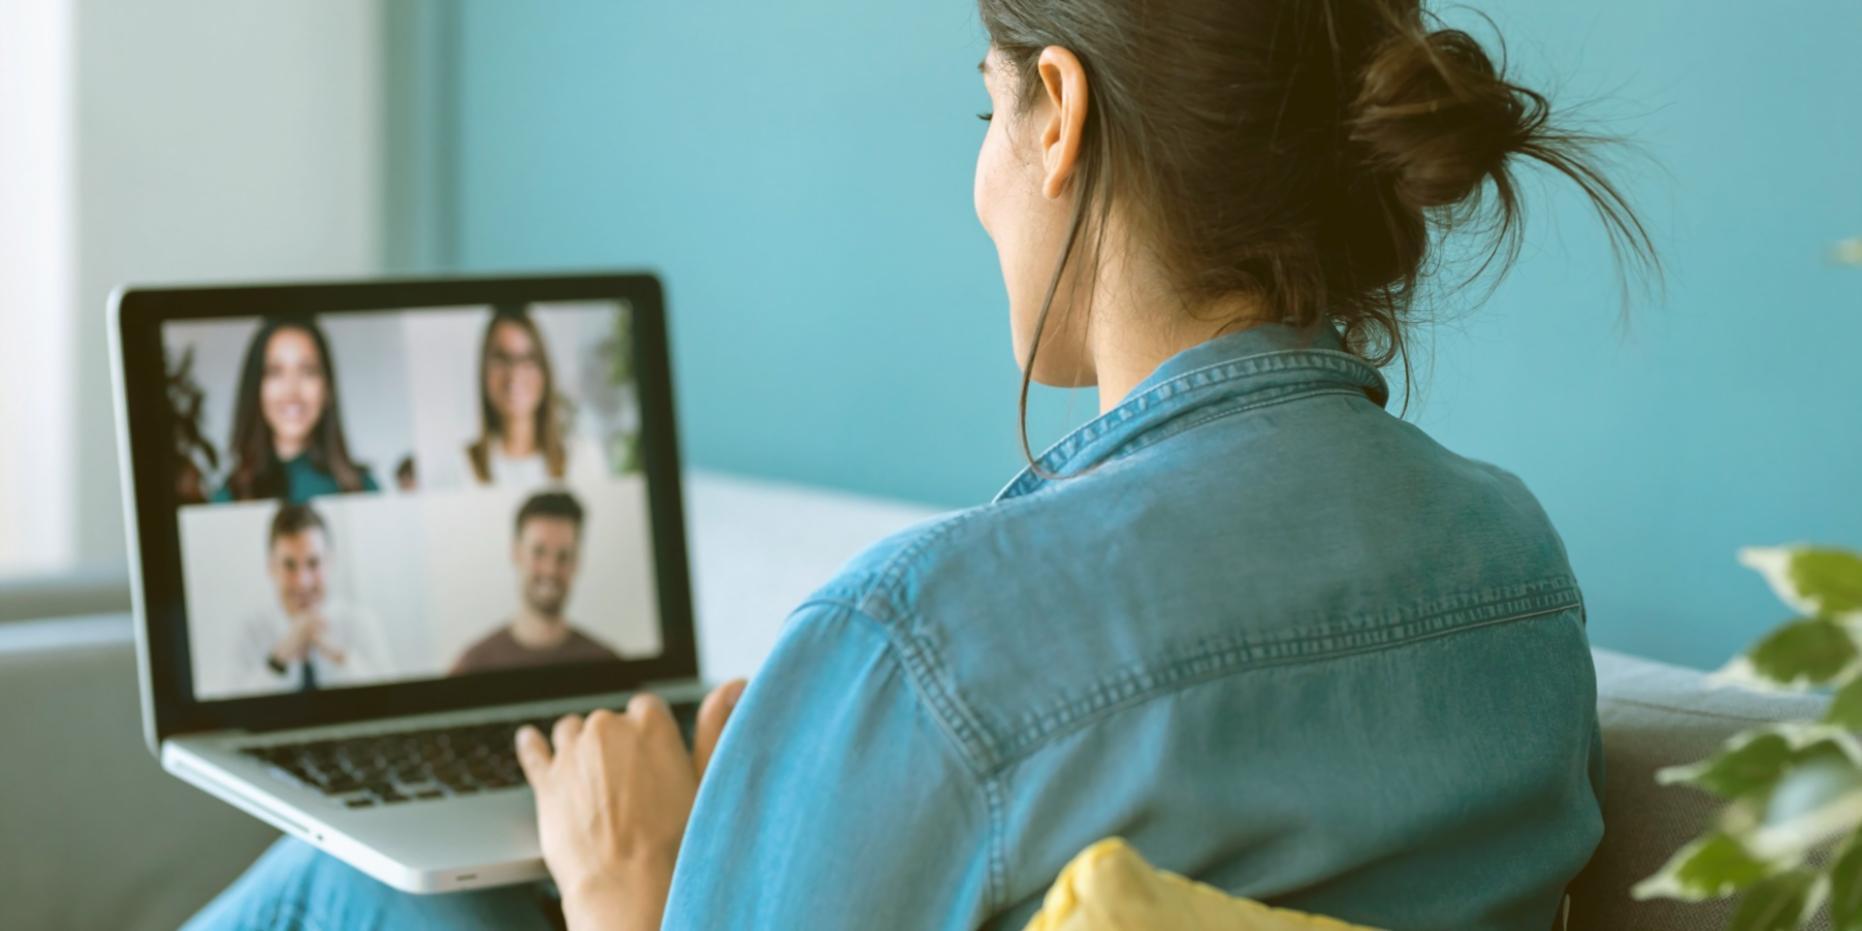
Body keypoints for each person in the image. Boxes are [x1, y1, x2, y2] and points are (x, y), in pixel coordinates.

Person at [187, 0, 1658, 928]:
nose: (982, 172)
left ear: (1059, 115)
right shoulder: (1514, 573)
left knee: (404, 898)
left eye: (987, 106)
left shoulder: (918, 644)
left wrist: (628, 889)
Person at [220, 504, 384, 696]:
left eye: (313, 563)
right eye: (289, 566)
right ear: (271, 567)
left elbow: (387, 701)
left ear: (330, 562)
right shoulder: (249, 629)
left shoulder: (361, 621)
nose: (302, 582)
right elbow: (232, 709)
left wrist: (336, 654)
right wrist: (279, 656)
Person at [449, 491, 622, 674]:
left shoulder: (607, 662)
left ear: (577, 562)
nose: (551, 570)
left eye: (563, 556)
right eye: (538, 552)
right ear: (516, 553)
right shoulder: (473, 666)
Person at [212, 316, 379, 503]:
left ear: (327, 388)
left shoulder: (363, 489)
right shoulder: (229, 498)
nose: (291, 391)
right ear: (256, 388)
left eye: (308, 371)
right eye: (275, 372)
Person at [460, 305, 607, 488]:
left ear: (545, 370)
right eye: (501, 358)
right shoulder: (461, 466)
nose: (514, 375)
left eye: (527, 359)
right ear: (484, 371)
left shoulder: (584, 458)